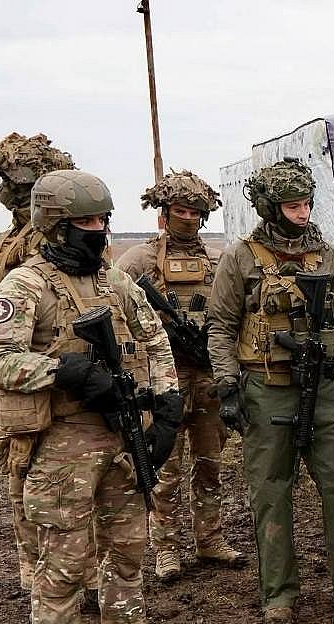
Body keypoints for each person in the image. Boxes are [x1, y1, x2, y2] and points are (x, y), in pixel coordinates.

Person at [0, 169, 187, 624]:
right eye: (86, 222)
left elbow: (154, 339)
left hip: (122, 435)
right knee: (64, 565)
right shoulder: (26, 286)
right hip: (62, 442)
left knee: (128, 550)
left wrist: (167, 405)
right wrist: (64, 371)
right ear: (55, 226)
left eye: (103, 220)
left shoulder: (115, 282)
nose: (98, 231)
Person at [205, 157, 334, 624]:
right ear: (270, 207)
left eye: (306, 204)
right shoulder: (241, 258)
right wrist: (228, 387)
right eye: (292, 206)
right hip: (266, 387)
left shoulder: (327, 257)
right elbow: (220, 327)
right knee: (271, 491)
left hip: (324, 386)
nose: (302, 214)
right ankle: (279, 593)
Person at [0, 134, 100, 605]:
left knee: (66, 480)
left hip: (56, 373)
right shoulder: (11, 239)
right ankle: (35, 571)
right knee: (21, 470)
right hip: (17, 372)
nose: (13, 193)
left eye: (24, 186)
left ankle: (77, 575)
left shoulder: (58, 239)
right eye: (8, 184)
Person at [116, 170, 244, 582]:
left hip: (207, 376)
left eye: (195, 212)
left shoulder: (220, 262)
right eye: (180, 211)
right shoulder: (138, 260)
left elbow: (233, 314)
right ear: (164, 212)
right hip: (162, 379)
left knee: (209, 465)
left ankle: (210, 539)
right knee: (165, 468)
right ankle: (166, 549)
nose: (188, 218)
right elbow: (116, 314)